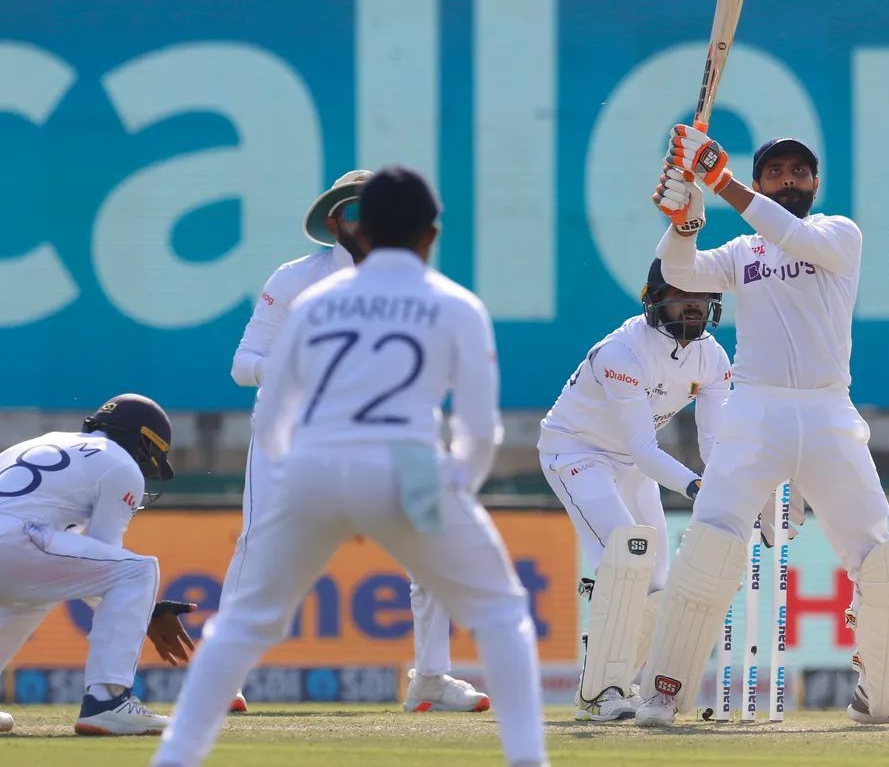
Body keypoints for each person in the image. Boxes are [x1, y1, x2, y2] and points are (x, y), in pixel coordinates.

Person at [152, 166, 546, 767]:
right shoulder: (455, 305)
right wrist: (453, 489)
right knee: (501, 614)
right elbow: (478, 429)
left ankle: (175, 758)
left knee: (245, 624)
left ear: (365, 227)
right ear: (429, 235)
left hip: (314, 460)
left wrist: (302, 485)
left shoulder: (317, 304)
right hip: (406, 462)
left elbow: (274, 414)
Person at [631, 127, 889, 729]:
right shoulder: (743, 252)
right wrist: (684, 219)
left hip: (829, 412)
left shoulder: (838, 235)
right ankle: (662, 693)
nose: (787, 180)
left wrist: (717, 182)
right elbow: (679, 270)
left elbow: (789, 232)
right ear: (761, 182)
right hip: (755, 411)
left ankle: (883, 699)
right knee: (711, 542)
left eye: (797, 172)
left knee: (884, 559)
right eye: (774, 173)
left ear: (815, 182)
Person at [226, 170, 487, 714]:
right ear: (332, 222)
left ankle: (432, 678)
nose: (362, 223)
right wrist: (298, 370)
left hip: (390, 436)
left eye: (370, 211)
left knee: (432, 552)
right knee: (257, 545)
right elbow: (243, 363)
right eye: (351, 212)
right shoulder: (298, 278)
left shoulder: (418, 287)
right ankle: (227, 676)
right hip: (297, 435)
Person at [539, 258, 731, 721]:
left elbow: (715, 444)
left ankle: (620, 680)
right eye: (683, 299)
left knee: (658, 586)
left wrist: (737, 489)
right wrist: (699, 487)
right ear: (654, 300)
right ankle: (599, 693)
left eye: (703, 299)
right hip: (575, 454)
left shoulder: (713, 357)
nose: (694, 309)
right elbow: (646, 449)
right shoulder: (619, 354)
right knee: (627, 558)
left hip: (630, 465)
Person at [0, 394, 196, 735]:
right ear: (142, 441)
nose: (146, 468)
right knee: (139, 571)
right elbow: (105, 562)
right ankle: (109, 702)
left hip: (15, 539)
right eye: (150, 458)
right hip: (14, 540)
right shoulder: (121, 463)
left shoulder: (45, 441)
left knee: (37, 594)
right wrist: (145, 608)